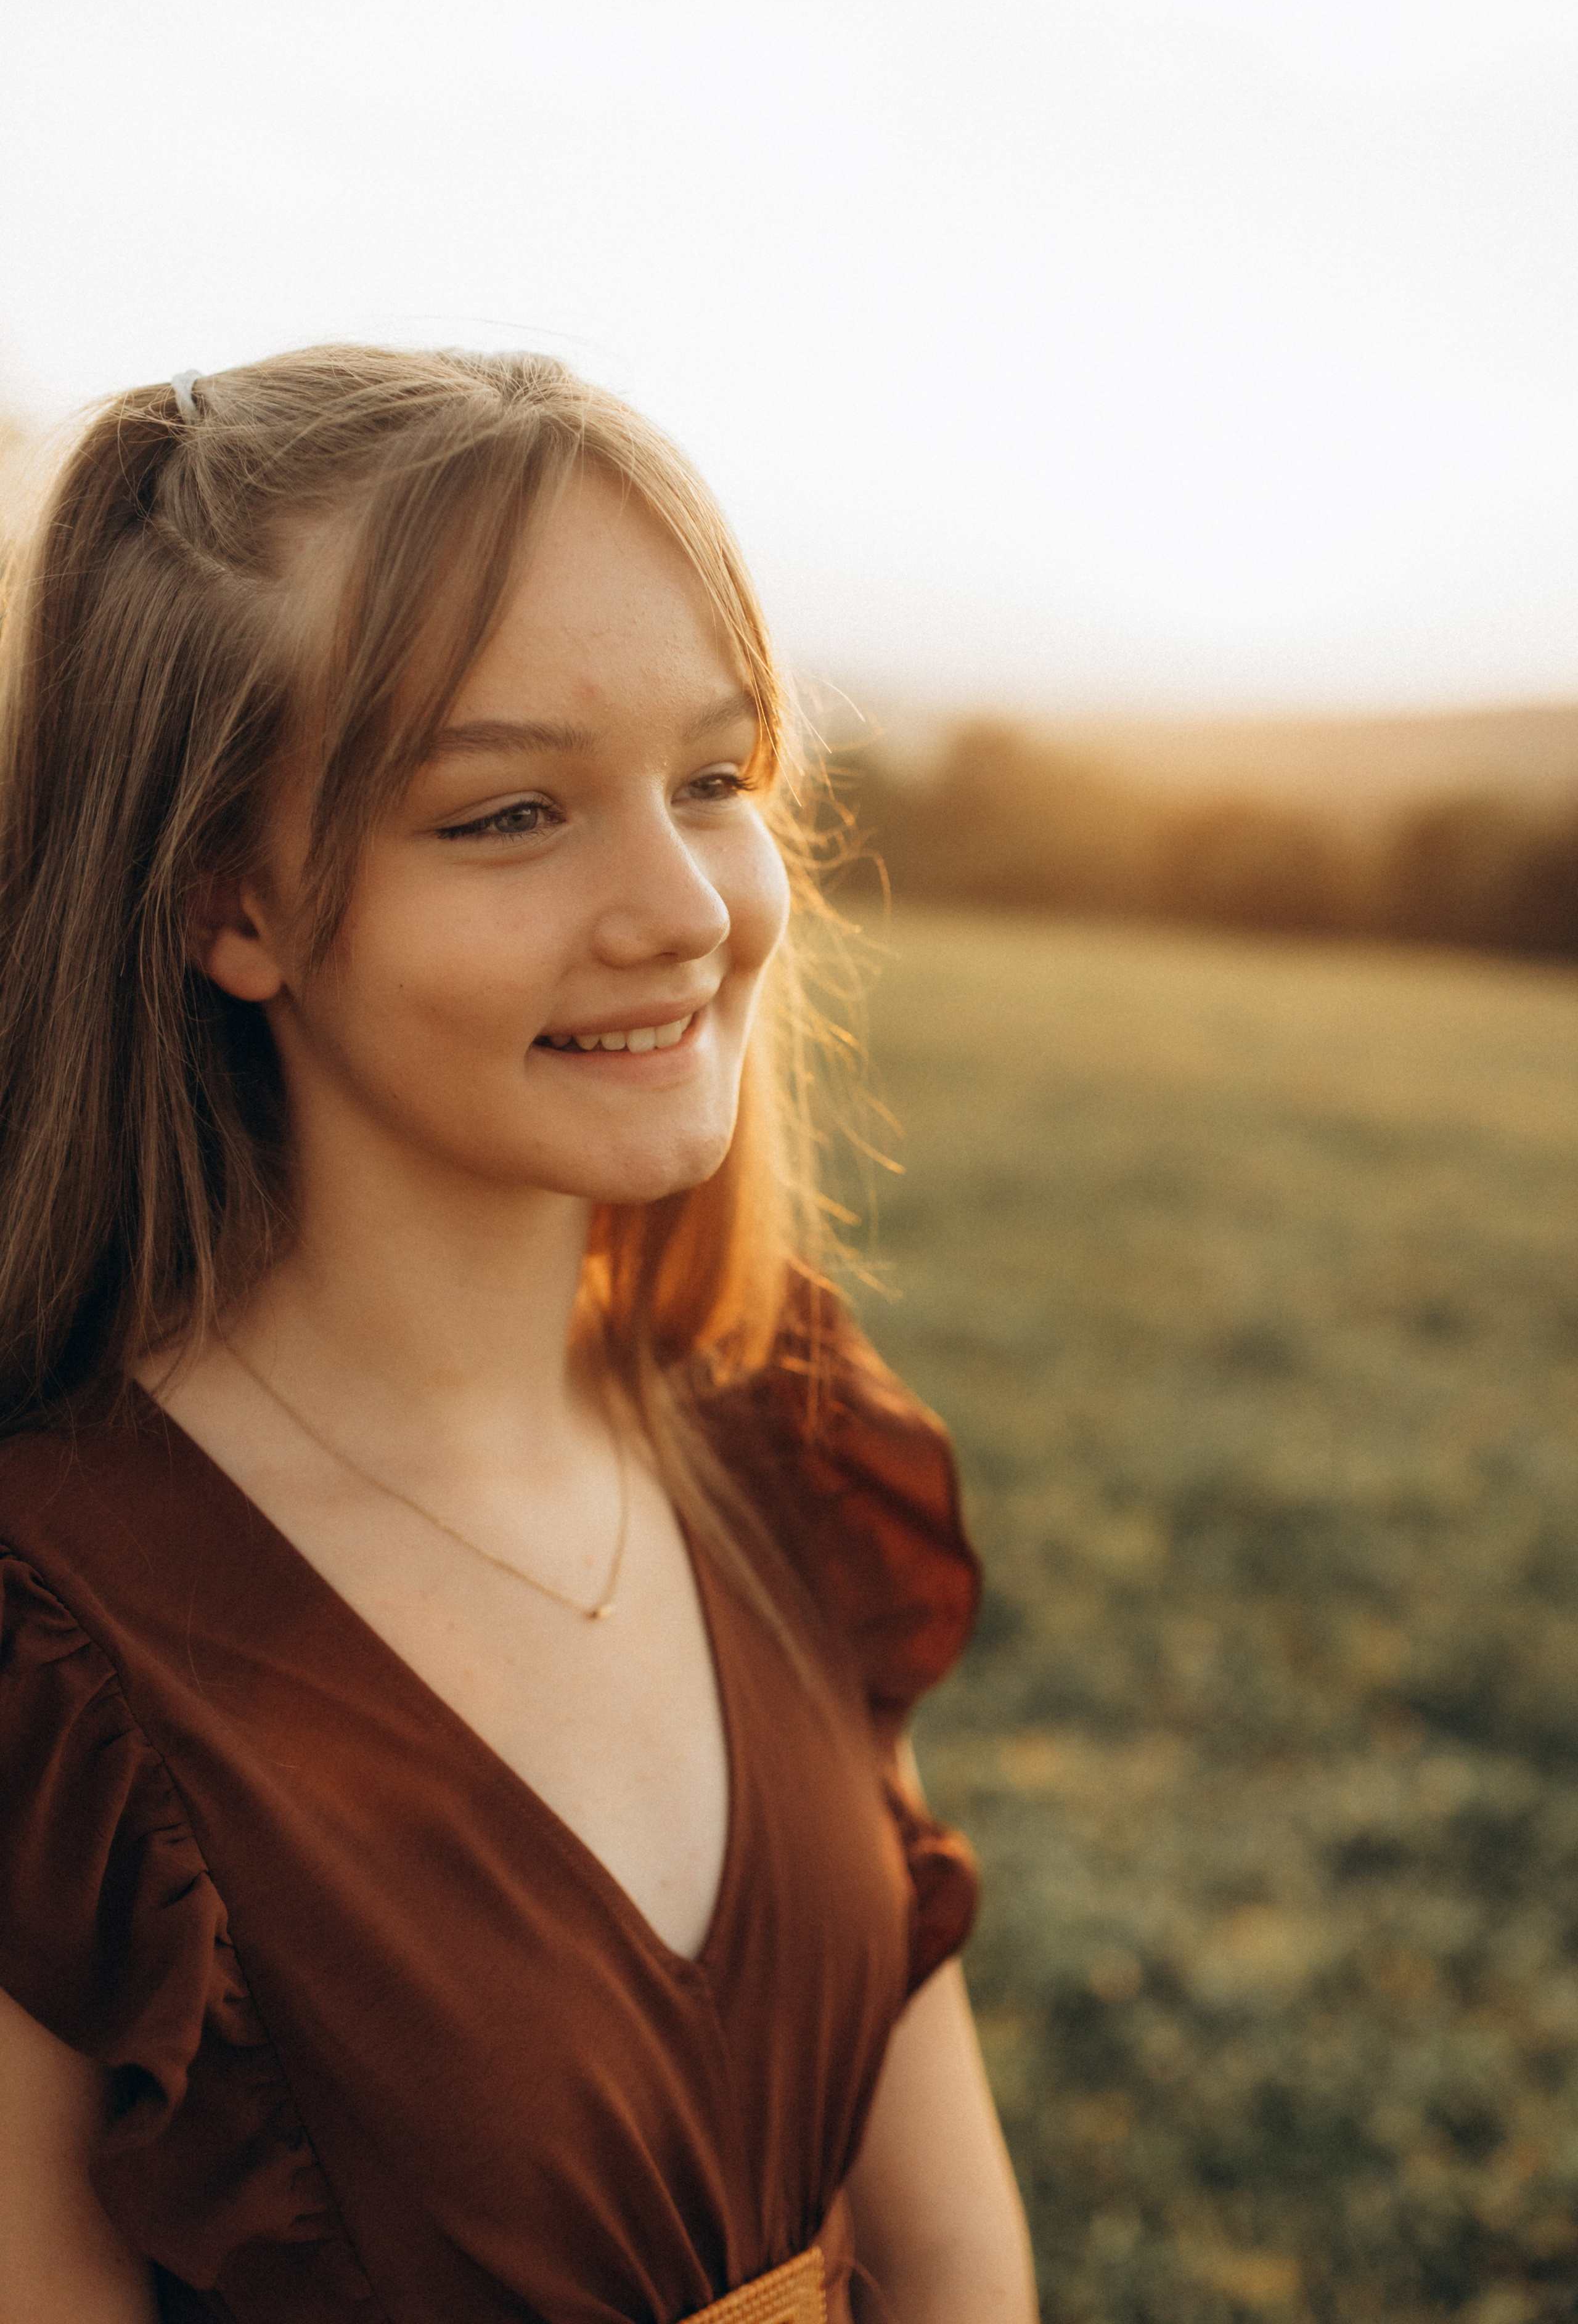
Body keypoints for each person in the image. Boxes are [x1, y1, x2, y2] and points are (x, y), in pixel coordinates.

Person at [0, 348, 1036, 2324]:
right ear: (232, 901)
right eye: (511, 815)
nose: (685, 907)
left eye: (717, 779)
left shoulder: (784, 1452)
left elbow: (944, 2246)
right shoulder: (51, 1657)